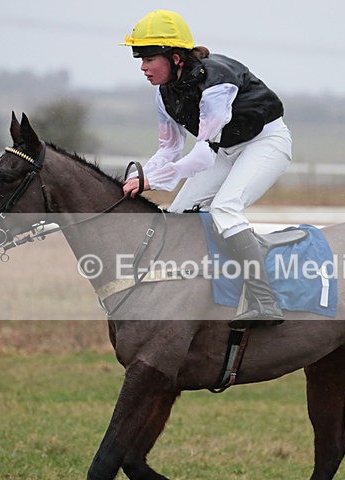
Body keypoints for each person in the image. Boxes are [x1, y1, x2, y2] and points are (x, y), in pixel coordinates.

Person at [120, 9, 292, 328]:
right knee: (179, 217)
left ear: (175, 57)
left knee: (225, 208)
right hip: (224, 150)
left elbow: (200, 156)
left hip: (265, 143)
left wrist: (152, 180)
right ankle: (195, 297)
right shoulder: (164, 94)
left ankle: (265, 300)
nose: (142, 67)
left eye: (148, 58)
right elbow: (169, 149)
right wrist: (140, 175)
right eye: (138, 59)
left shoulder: (216, 82)